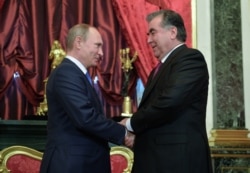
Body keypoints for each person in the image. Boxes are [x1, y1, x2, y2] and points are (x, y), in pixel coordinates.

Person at [120, 10, 213, 173]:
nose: (148, 40)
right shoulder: (159, 69)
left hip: (177, 162)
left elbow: (168, 103)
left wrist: (131, 124)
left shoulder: (190, 59)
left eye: (153, 33)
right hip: (158, 160)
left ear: (173, 32)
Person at [40, 23, 133, 173]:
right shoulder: (67, 73)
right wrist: (123, 134)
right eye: (97, 45)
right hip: (71, 165)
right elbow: (86, 118)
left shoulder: (75, 74)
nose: (101, 53)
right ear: (78, 42)